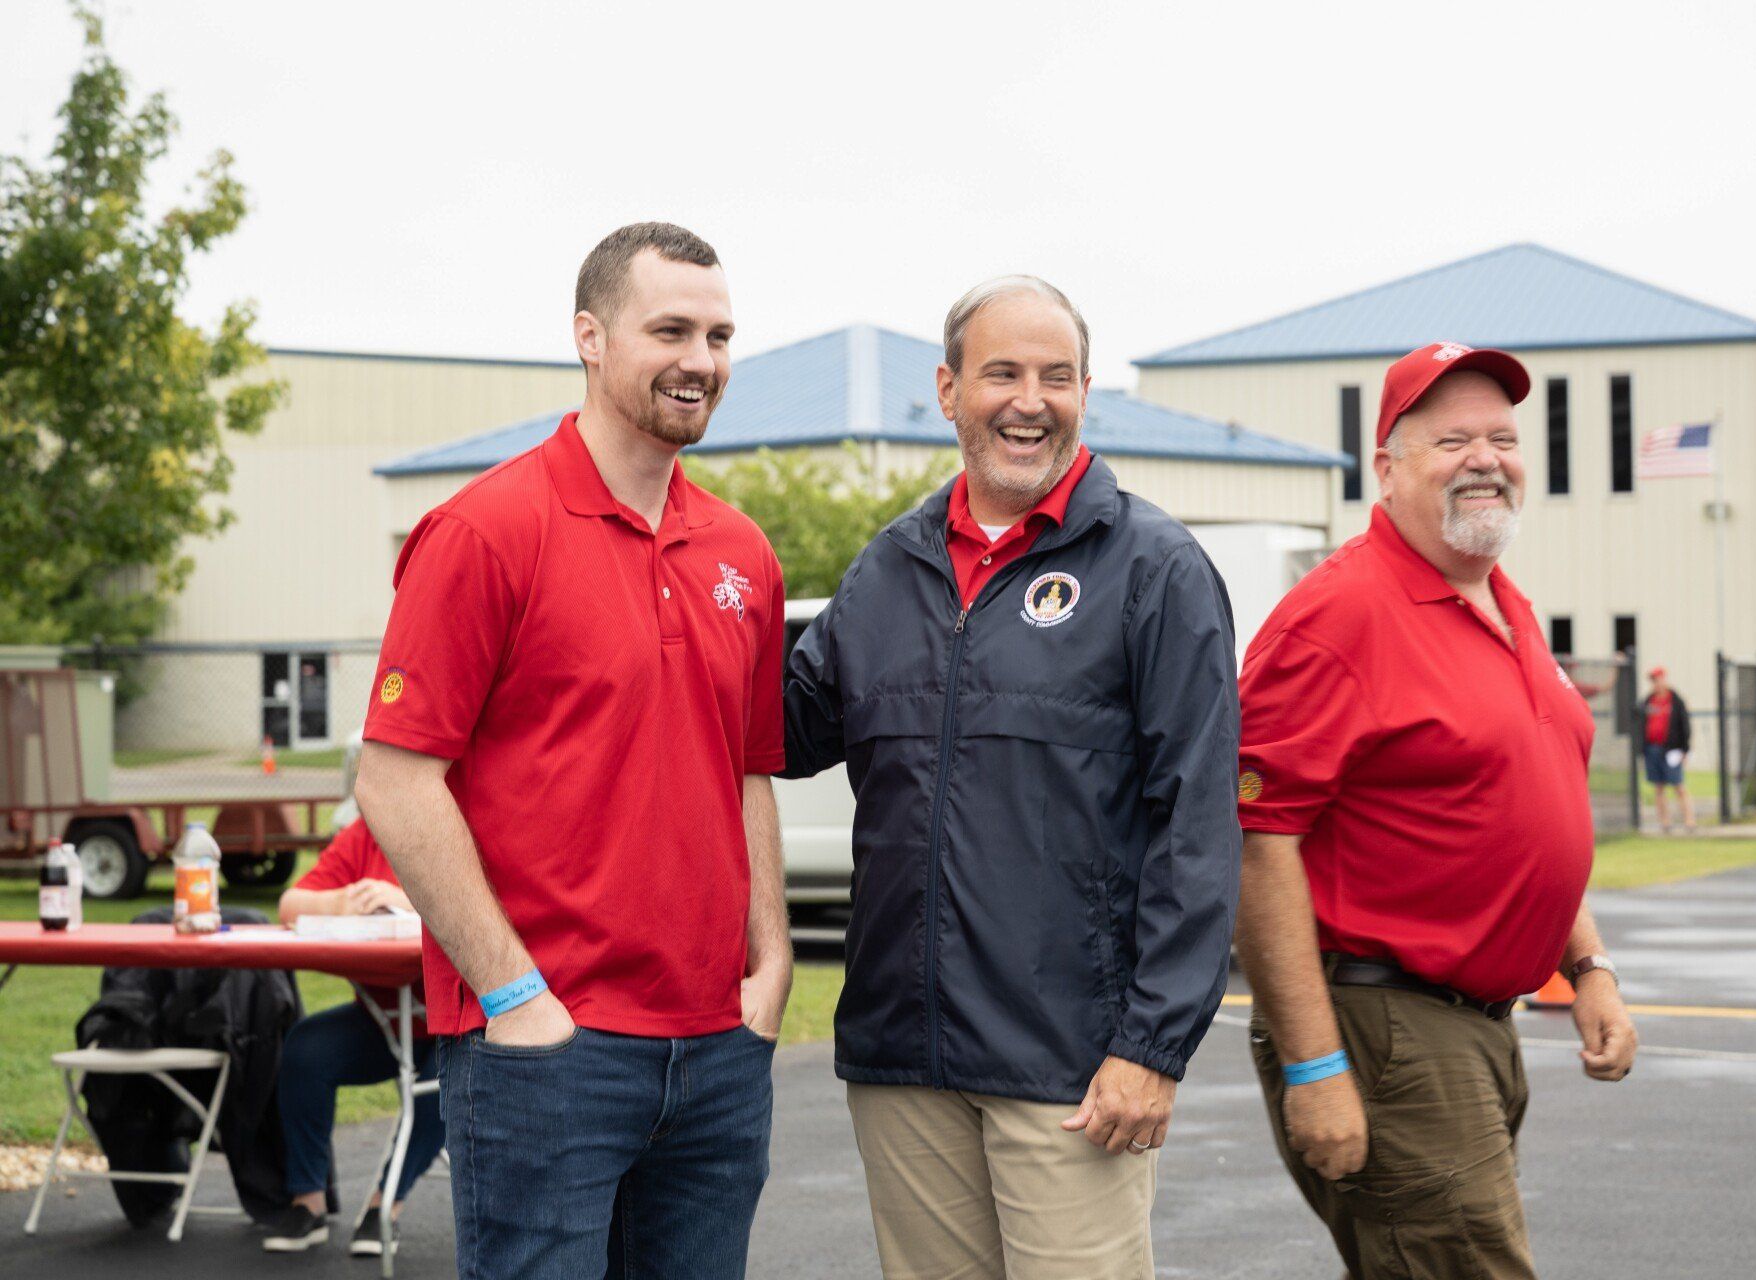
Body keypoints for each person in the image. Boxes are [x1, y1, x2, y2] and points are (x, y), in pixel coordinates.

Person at [354, 222, 790, 1280]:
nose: (701, 359)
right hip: (548, 1052)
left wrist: (770, 961)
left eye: (721, 334)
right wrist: (515, 993)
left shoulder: (742, 551)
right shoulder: (485, 530)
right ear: (590, 337)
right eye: (671, 329)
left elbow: (747, 768)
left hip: (717, 1049)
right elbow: (395, 779)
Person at [783, 276, 1240, 1279]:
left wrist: (1152, 1046)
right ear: (948, 389)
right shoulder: (891, 567)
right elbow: (777, 726)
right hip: (905, 1060)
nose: (1028, 399)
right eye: (1001, 372)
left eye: (1056, 376)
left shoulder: (1156, 569)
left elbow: (1196, 829)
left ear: (1085, 392)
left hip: (1072, 1069)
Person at [1235, 342, 1639, 1279]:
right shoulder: (1338, 617)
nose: (1485, 458)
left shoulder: (1500, 599)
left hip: (1476, 1027)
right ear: (1387, 467)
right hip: (1386, 1026)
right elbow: (1258, 844)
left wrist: (1590, 967)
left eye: (1502, 437)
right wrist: (1313, 1066)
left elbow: (1527, 807)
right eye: (1451, 439)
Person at [261, 818, 442, 1258]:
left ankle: (385, 1206)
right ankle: (309, 1202)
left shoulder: (463, 819)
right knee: (306, 1049)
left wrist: (405, 901)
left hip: (453, 1021)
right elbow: (290, 904)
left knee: (450, 1080)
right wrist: (341, 901)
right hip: (382, 1019)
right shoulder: (366, 833)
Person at [1642, 666, 1696, 833]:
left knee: (1678, 786)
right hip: (1653, 748)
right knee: (1659, 787)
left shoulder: (1675, 700)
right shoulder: (1648, 701)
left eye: (1658, 679)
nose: (1656, 683)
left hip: (1672, 750)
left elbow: (1685, 725)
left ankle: (1689, 821)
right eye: (1653, 680)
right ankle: (1665, 822)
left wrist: (1685, 750)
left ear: (1664, 679)